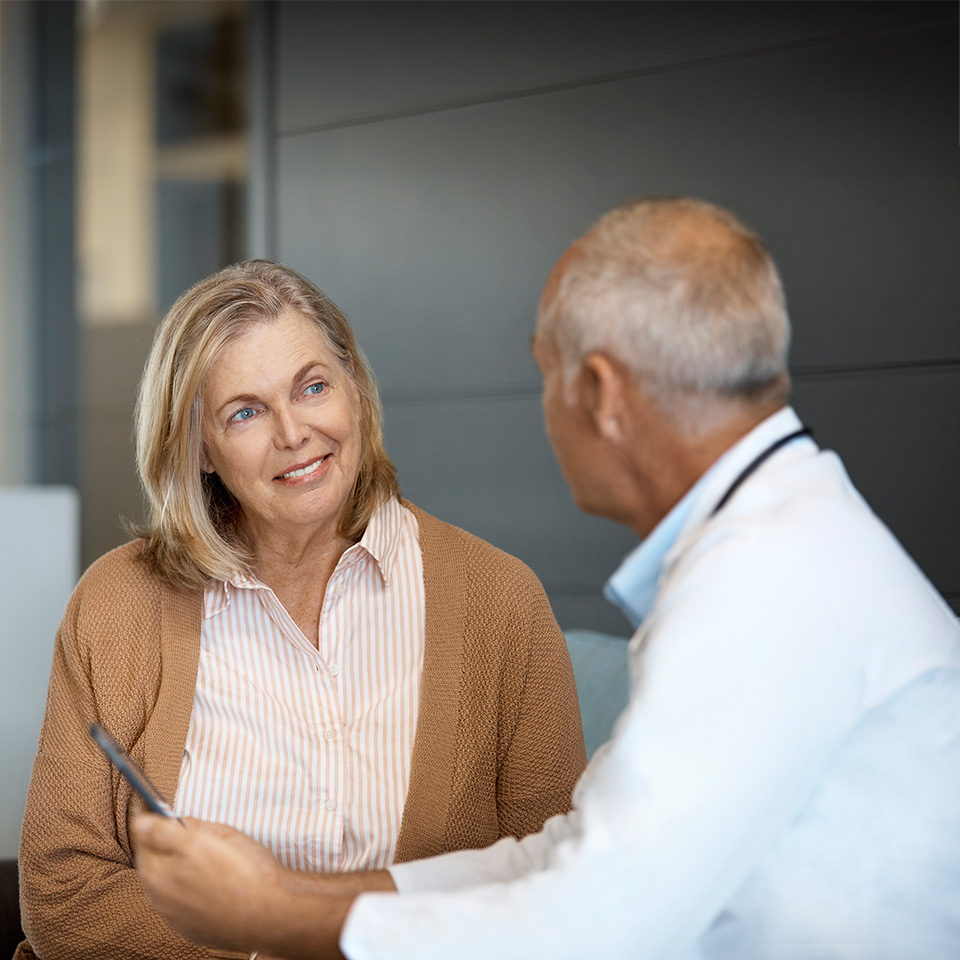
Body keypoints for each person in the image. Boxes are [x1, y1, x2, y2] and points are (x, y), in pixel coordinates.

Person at [133, 197, 960, 960]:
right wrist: (291, 892)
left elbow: (593, 926)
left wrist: (274, 917)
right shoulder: (781, 540)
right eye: (245, 410)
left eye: (543, 370)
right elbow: (568, 855)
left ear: (598, 392)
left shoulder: (762, 581)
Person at [15, 261, 587, 960]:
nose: (293, 432)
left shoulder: (501, 601)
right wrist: (272, 945)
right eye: (245, 411)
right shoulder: (118, 604)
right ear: (199, 447)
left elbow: (562, 888)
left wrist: (279, 922)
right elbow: (61, 894)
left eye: (313, 387)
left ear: (356, 392)